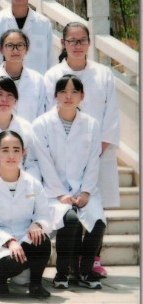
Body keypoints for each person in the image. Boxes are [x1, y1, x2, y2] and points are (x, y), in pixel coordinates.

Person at [45, 21, 120, 278]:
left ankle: (93, 260)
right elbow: (48, 113)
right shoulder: (53, 75)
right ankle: (69, 263)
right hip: (62, 154)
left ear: (89, 43)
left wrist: (95, 152)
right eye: (72, 41)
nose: (77, 46)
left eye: (82, 41)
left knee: (96, 208)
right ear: (63, 43)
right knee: (67, 208)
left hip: (99, 151)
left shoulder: (103, 74)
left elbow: (111, 116)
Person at [34, 75, 106, 290]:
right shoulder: (42, 124)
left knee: (98, 221)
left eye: (74, 91)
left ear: (82, 96)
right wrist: (60, 193)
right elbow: (44, 162)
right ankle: (62, 273)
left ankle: (85, 271)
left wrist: (86, 191)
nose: (68, 96)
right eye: (63, 91)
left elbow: (93, 161)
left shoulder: (91, 124)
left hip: (84, 188)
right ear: (55, 95)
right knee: (70, 219)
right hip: (53, 191)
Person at [0, 130, 53, 299]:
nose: (11, 155)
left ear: (23, 152)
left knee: (42, 240)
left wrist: (37, 224)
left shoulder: (33, 184)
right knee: (12, 263)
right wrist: (9, 242)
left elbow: (44, 214)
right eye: (5, 150)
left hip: (25, 238)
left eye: (16, 150)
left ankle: (36, 284)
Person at [0, 76, 44, 180]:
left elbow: (32, 163)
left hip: (22, 185)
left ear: (16, 100)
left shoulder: (26, 127)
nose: (4, 99)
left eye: (9, 95)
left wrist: (26, 185)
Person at [0, 29, 51, 123]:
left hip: (29, 131)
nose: (15, 50)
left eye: (20, 45)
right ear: (1, 50)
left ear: (26, 49)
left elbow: (41, 114)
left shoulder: (38, 80)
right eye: (10, 46)